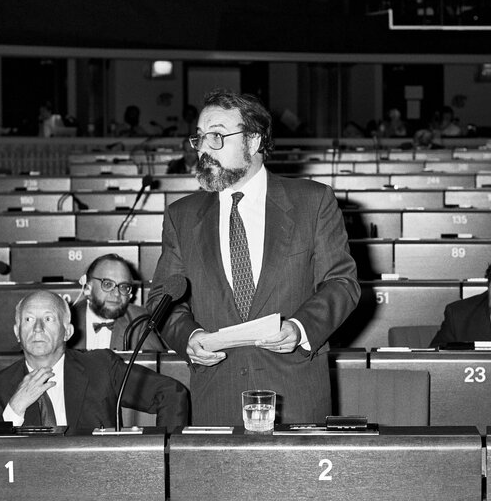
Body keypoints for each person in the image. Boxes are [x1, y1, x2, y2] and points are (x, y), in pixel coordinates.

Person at [147, 89, 360, 426]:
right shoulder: (181, 216)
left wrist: (301, 328)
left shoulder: (312, 202)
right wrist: (189, 337)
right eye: (199, 138)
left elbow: (342, 284)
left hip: (295, 394)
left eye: (216, 136)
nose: (203, 148)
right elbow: (163, 297)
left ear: (254, 140)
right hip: (216, 396)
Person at [0, 291, 188, 434]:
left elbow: (171, 393)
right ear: (17, 332)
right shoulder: (0, 385)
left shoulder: (100, 367)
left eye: (48, 319)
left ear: (68, 331)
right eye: (28, 320)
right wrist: (14, 409)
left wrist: (165, 457)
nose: (37, 328)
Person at [68, 254, 166, 351]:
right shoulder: (67, 320)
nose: (116, 293)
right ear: (87, 289)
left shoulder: (139, 322)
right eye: (107, 284)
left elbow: (156, 365)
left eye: (123, 287)